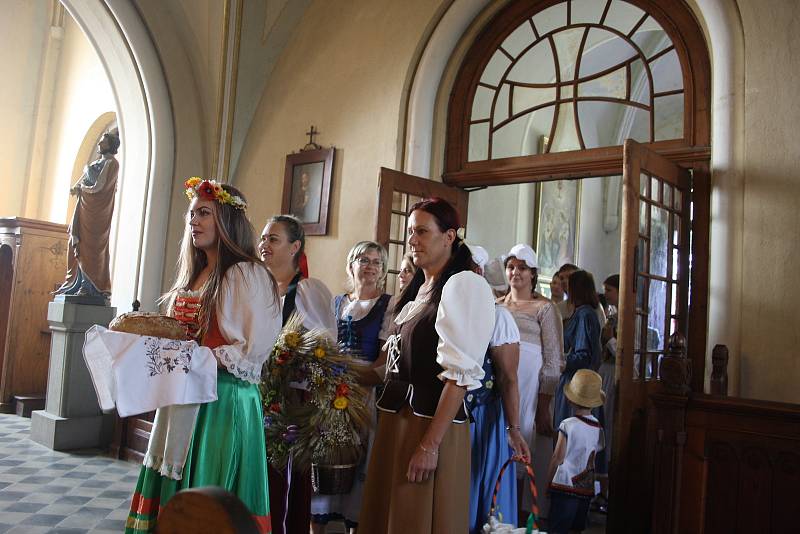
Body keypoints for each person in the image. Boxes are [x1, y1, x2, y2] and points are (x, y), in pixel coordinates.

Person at [126, 178, 281, 533]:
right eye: (191, 214)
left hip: (220, 400)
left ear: (227, 220)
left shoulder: (244, 273)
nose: (193, 221)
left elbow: (249, 351)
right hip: (183, 396)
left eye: (204, 214)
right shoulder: (196, 273)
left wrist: (192, 357)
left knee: (210, 493)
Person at [359, 198, 495, 533]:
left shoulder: (463, 285)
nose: (412, 240)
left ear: (449, 236)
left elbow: (459, 378)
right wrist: (329, 367)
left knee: (414, 517)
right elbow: (388, 368)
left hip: (430, 427)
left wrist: (429, 446)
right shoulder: (417, 290)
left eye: (422, 231)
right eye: (410, 232)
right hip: (398, 422)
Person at [258, 215, 336, 534]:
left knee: (283, 485)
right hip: (255, 394)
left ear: (294, 247)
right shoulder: (257, 289)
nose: (264, 244)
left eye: (273, 239)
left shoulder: (306, 290)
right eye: (263, 238)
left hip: (290, 400)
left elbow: (326, 348)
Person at [310, 241, 392, 534]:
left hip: (363, 393)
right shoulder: (336, 303)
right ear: (351, 265)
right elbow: (323, 345)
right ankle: (316, 526)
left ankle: (352, 526)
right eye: (363, 260)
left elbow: (383, 362)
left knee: (358, 461)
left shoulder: (387, 305)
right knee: (324, 457)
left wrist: (349, 374)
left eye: (376, 262)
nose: (369, 266)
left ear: (382, 271)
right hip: (330, 394)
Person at [465, 244, 529, 534]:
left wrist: (513, 428)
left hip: (483, 418)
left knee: (480, 485)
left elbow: (508, 378)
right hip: (452, 416)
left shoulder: (498, 317)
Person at [499, 244, 563, 520]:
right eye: (511, 267)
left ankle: (513, 516)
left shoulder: (545, 308)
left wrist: (544, 403)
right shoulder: (497, 304)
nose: (516, 273)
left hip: (527, 385)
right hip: (498, 380)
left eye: (522, 268)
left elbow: (553, 360)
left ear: (533, 274)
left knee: (520, 441)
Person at [55, 130, 121, 299]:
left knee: (91, 247)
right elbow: (86, 180)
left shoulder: (112, 163)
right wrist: (79, 186)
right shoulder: (98, 162)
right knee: (75, 241)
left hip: (97, 213)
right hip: (84, 206)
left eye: (103, 142)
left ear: (111, 145)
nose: (99, 144)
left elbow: (100, 186)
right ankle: (73, 282)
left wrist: (83, 187)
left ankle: (90, 286)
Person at [546, 369, 605, 534]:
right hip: (586, 487)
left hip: (564, 484)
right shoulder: (597, 427)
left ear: (570, 400)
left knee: (557, 528)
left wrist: (548, 482)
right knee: (576, 529)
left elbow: (557, 457)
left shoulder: (568, 425)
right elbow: (593, 457)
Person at [554, 270, 603, 432]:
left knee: (571, 435)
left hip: (577, 382)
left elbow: (583, 355)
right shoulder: (582, 312)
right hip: (575, 377)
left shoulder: (585, 314)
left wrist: (561, 362)